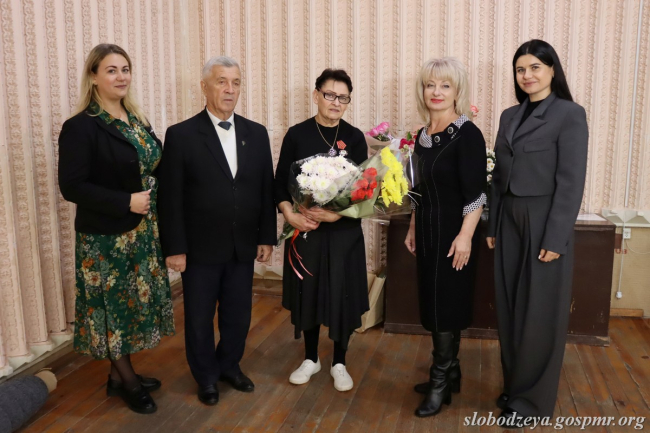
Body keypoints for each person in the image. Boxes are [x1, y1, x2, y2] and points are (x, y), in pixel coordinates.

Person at [58, 44, 175, 414]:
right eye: (111, 70)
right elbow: (72, 186)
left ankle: (117, 377)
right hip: (106, 239)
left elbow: (154, 165)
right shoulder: (80, 126)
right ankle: (128, 382)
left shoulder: (136, 119)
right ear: (94, 77)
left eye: (125, 69)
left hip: (142, 232)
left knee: (131, 307)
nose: (121, 76)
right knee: (113, 310)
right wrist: (126, 201)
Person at [157, 56, 276, 406]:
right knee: (199, 317)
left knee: (238, 315)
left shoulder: (257, 133)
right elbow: (170, 198)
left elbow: (265, 189)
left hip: (243, 245)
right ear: (204, 87)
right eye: (221, 81)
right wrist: (174, 247)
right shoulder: (181, 135)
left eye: (236, 82)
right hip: (199, 248)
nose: (229, 89)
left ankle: (229, 366)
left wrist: (266, 237)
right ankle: (206, 376)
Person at [486, 39, 589, 424]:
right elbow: (498, 177)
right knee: (510, 307)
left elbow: (571, 182)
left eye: (534, 67)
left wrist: (556, 237)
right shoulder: (509, 116)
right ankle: (516, 387)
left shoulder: (569, 114)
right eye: (520, 69)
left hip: (545, 220)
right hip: (508, 220)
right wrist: (493, 223)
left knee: (540, 313)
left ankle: (530, 403)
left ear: (551, 70)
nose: (526, 75)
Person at [274, 69, 368, 392]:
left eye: (343, 97)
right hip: (307, 229)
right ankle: (311, 358)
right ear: (316, 95)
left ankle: (339, 361)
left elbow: (363, 190)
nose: (335, 102)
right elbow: (280, 184)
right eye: (329, 95)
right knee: (309, 292)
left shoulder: (354, 137)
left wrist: (336, 215)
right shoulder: (297, 134)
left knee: (342, 293)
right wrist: (290, 214)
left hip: (343, 232)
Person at [404, 57, 486, 418]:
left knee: (446, 305)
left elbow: (477, 194)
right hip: (427, 230)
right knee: (434, 301)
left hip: (455, 233)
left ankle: (440, 381)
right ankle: (451, 372)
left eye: (445, 85)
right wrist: (412, 226)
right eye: (430, 84)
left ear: (457, 91)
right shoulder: (422, 135)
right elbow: (417, 189)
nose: (436, 92)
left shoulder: (467, 133)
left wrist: (465, 236)